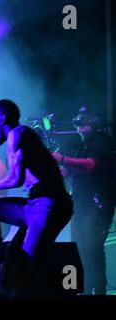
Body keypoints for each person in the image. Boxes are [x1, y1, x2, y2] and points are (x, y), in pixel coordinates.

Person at [0, 99, 73, 293]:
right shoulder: (20, 135)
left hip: (49, 204)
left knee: (26, 266)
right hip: (35, 204)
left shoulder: (17, 134)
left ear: (2, 118)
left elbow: (15, 179)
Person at [52, 105, 116, 295]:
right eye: (77, 122)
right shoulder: (78, 144)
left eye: (83, 121)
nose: (79, 126)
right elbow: (65, 171)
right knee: (82, 248)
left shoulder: (103, 141)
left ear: (93, 122)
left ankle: (99, 289)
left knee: (93, 246)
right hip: (80, 203)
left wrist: (61, 158)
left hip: (99, 204)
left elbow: (90, 165)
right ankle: (89, 289)